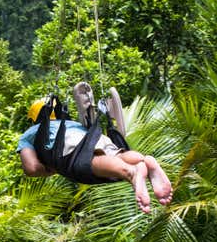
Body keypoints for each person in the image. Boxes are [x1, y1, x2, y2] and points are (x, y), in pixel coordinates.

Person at [17, 82, 173, 214]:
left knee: (88, 164)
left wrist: (53, 169)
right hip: (93, 136)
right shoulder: (75, 124)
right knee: (116, 156)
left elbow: (31, 168)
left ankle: (132, 173)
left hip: (67, 145)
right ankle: (143, 161)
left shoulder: (30, 133)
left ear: (34, 119)